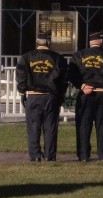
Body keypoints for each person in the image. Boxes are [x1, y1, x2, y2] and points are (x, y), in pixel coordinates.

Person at [15, 31, 70, 161]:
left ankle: (35, 156)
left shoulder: (26, 57)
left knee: (33, 127)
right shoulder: (58, 58)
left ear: (37, 42)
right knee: (50, 127)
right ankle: (50, 156)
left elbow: (21, 78)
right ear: (49, 42)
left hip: (33, 96)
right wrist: (61, 95)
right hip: (51, 96)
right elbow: (64, 80)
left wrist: (22, 93)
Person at [72, 30, 103, 162]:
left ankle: (83, 156)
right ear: (100, 41)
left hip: (85, 94)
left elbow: (71, 74)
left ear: (90, 42)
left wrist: (82, 86)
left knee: (83, 125)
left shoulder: (79, 55)